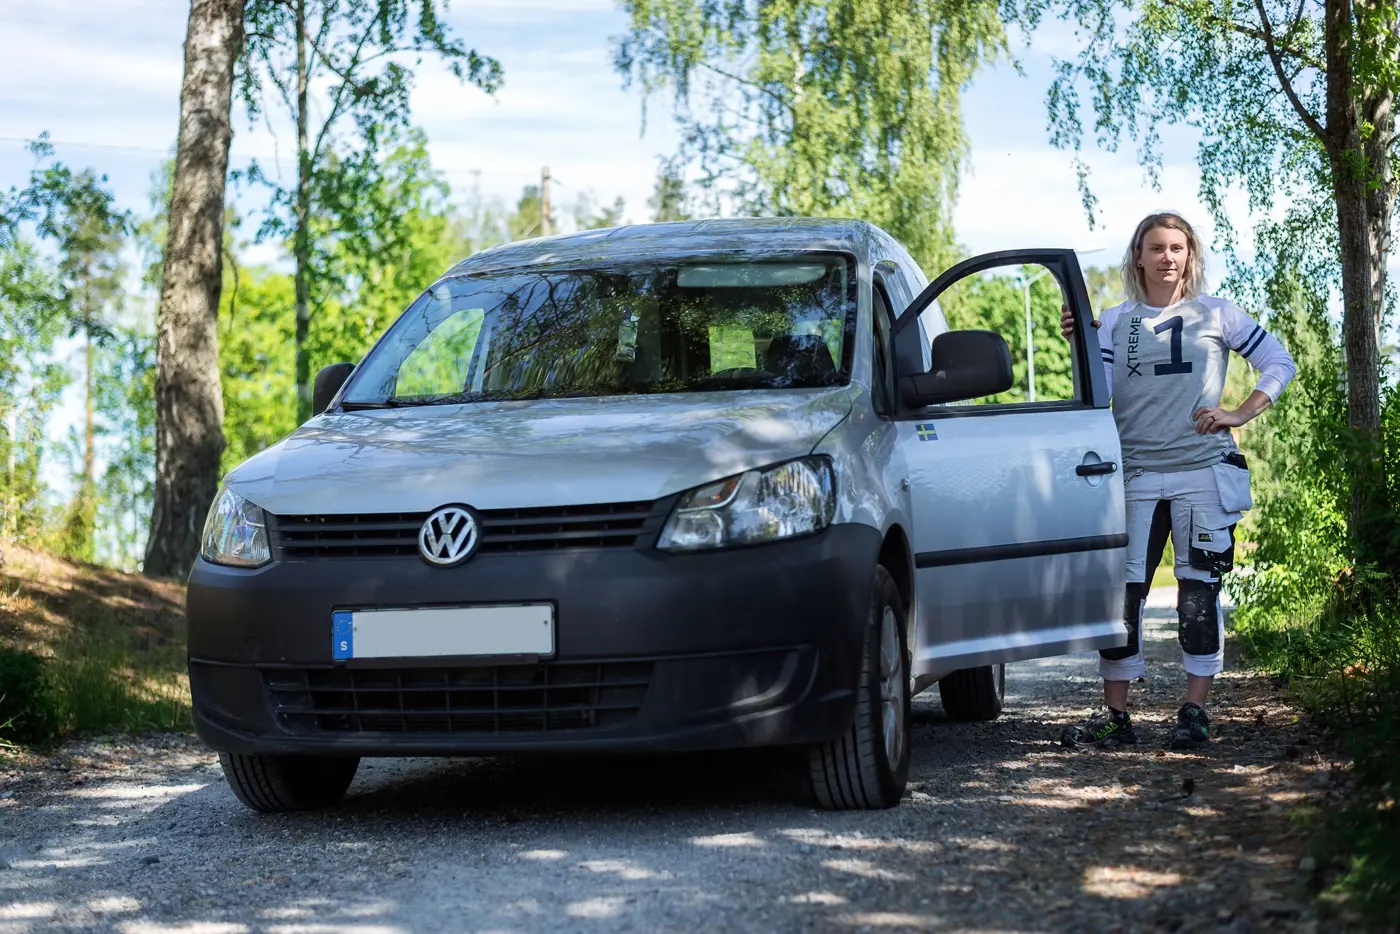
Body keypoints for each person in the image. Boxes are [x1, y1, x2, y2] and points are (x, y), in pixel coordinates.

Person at [1058, 211, 1296, 750]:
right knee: (1124, 597)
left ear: (1190, 256)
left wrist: (1241, 412)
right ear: (1137, 256)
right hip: (1135, 475)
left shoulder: (1218, 313)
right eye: (1157, 247)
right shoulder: (1115, 321)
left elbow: (1279, 362)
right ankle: (1117, 719)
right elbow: (1090, 386)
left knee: (1197, 596)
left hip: (1203, 474)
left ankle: (1194, 711)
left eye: (1178, 248)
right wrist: (1076, 339)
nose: (1168, 257)